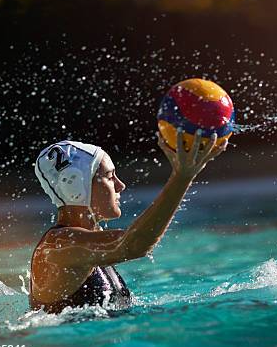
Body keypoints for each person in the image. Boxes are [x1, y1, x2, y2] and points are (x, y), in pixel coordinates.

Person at [30, 129, 226, 313]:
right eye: (109, 176)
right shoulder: (56, 248)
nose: (120, 185)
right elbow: (133, 244)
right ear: (74, 186)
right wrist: (182, 177)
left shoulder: (89, 241)